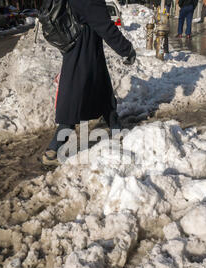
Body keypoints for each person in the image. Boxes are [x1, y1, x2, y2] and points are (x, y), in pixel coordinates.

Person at [41, 0, 136, 165]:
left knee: (102, 89)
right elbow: (105, 25)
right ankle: (53, 150)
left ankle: (116, 128)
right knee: (75, 99)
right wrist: (126, 49)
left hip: (85, 49)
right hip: (83, 53)